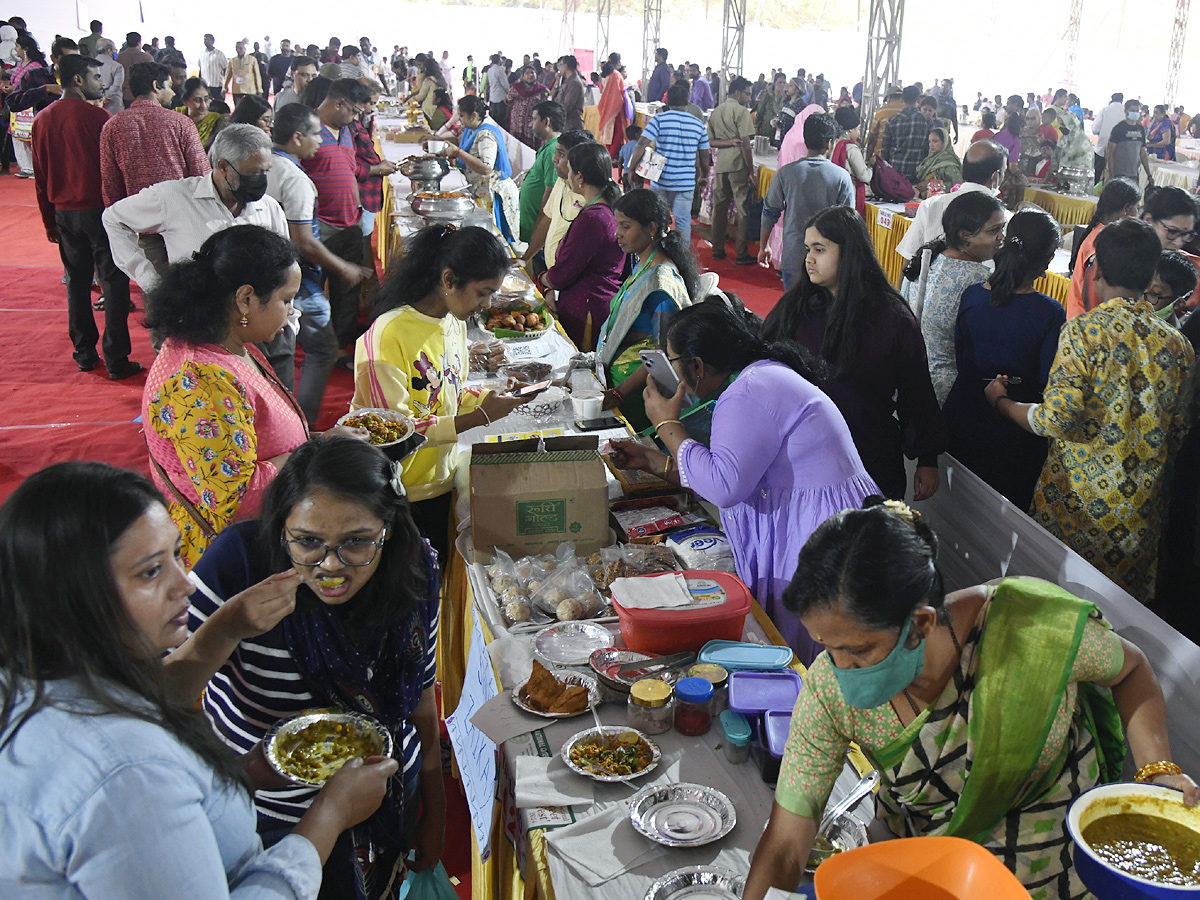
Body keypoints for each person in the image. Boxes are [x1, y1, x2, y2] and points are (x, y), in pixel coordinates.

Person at [743, 498, 1199, 900]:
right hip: (933, 877)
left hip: (1057, 874)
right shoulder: (828, 693)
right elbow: (786, 840)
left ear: (920, 623)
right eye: (826, 647)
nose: (840, 672)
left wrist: (1157, 769)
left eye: (859, 652)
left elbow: (1133, 670)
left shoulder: (1030, 631)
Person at [0, 461, 398, 898]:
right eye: (151, 571)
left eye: (176, 554)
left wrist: (235, 777)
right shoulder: (128, 776)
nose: (184, 586)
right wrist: (328, 817)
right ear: (73, 596)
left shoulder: (38, 677)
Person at [186, 437, 445, 895]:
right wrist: (225, 629)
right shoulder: (238, 566)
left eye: (357, 542)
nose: (331, 566)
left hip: (385, 797)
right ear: (280, 525)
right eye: (307, 542)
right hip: (268, 821)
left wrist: (435, 803)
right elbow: (153, 700)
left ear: (388, 530)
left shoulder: (414, 567)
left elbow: (422, 695)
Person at [611, 300, 878, 663]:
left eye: (672, 363)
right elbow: (736, 471)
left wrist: (665, 424)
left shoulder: (747, 393)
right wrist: (656, 462)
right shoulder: (759, 378)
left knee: (816, 650)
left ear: (697, 366)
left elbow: (725, 485)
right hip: (824, 520)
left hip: (820, 531)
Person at [986, 217, 1194, 602]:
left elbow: (1056, 418)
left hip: (1076, 502)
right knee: (1114, 616)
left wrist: (1002, 403)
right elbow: (1178, 431)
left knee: (1051, 602)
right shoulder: (1178, 346)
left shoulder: (1083, 332)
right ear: (1150, 278)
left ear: (1095, 269)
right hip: (1138, 510)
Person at [139, 225, 315, 567]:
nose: (292, 311)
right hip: (229, 556)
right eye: (286, 300)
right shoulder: (198, 381)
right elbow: (237, 499)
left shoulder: (229, 343)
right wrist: (312, 452)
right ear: (246, 299)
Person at [352, 226, 531, 560]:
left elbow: (447, 391)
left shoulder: (453, 322)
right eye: (482, 293)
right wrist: (479, 418)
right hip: (398, 492)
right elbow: (396, 433)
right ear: (449, 280)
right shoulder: (387, 337)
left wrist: (491, 398)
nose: (487, 304)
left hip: (439, 481)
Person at [762, 206, 945, 501]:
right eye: (808, 249)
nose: (809, 258)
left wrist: (927, 458)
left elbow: (916, 389)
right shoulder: (797, 306)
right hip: (800, 457)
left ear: (849, 252)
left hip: (867, 456)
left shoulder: (891, 317)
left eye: (819, 249)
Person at [942, 209, 1065, 511]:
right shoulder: (1049, 312)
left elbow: (963, 356)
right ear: (1048, 262)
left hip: (964, 413)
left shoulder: (972, 296)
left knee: (956, 509)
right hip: (1014, 429)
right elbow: (1049, 381)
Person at [32, 54, 140, 380]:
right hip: (100, 212)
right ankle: (117, 357)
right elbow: (115, 172)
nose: (101, 82)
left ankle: (84, 353)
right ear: (78, 80)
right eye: (95, 76)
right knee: (114, 282)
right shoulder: (98, 118)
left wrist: (48, 221)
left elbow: (40, 177)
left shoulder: (43, 120)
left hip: (64, 213)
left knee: (77, 284)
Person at [267, 102, 367, 424]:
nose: (320, 141)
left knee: (278, 350)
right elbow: (304, 242)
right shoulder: (295, 178)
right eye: (315, 135)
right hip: (297, 280)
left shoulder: (264, 164)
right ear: (297, 138)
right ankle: (300, 422)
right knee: (322, 348)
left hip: (267, 274)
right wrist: (344, 267)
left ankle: (283, 418)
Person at [104, 124, 288, 292]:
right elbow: (113, 219)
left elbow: (284, 269)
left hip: (253, 321)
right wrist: (149, 280)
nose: (261, 180)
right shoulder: (174, 197)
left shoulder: (269, 208)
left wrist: (288, 320)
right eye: (254, 173)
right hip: (196, 319)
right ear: (224, 167)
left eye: (266, 171)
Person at [599, 188, 699, 429]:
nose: (617, 234)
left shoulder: (661, 285)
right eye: (618, 225)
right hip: (615, 375)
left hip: (636, 393)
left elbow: (662, 354)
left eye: (626, 226)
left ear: (651, 228)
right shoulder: (643, 263)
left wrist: (620, 393)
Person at [904, 192, 1006, 404]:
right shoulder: (979, 279)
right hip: (951, 392)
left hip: (908, 382)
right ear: (965, 235)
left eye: (1002, 229)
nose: (1001, 238)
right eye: (993, 231)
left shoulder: (923, 262)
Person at [303, 78, 374, 354]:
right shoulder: (308, 128)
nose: (357, 118)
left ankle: (340, 347)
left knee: (348, 291)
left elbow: (347, 169)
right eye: (354, 111)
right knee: (313, 289)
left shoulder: (346, 131)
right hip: (319, 225)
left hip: (350, 221)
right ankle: (315, 348)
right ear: (338, 103)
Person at [531, 142, 625, 349]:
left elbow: (564, 272)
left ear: (580, 178)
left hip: (586, 308)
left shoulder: (594, 218)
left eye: (570, 169)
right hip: (594, 301)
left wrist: (543, 278)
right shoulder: (604, 209)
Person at [759, 114, 854, 290]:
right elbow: (849, 224)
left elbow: (769, 212)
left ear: (805, 139)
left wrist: (763, 246)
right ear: (829, 143)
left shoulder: (786, 173)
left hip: (794, 256)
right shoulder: (841, 177)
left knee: (794, 311)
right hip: (829, 260)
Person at [101, 62, 211, 206]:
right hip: (180, 211)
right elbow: (202, 175)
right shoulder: (180, 123)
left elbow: (111, 184)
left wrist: (118, 218)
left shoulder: (112, 126)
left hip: (136, 216)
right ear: (155, 86)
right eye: (169, 86)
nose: (173, 92)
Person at [896, 140, 1006, 263]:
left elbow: (909, 259)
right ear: (995, 177)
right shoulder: (1003, 218)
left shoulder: (931, 205)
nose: (1000, 236)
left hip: (928, 280)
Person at [628, 84, 711, 247]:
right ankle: (682, 259)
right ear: (687, 101)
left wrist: (631, 169)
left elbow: (641, 144)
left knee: (657, 220)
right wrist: (704, 176)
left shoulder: (659, 119)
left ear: (668, 101)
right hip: (685, 183)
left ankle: (657, 254)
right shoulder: (698, 124)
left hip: (661, 180)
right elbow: (704, 155)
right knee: (683, 221)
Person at [432, 95, 520, 240]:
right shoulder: (470, 130)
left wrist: (458, 152)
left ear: (473, 115)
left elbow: (486, 168)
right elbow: (469, 156)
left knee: (494, 237)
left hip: (493, 191)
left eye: (461, 116)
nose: (458, 119)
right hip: (480, 188)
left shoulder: (485, 134)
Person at [1064, 177, 1141, 318]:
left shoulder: (1100, 234)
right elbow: (1093, 298)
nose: (1138, 214)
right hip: (1088, 325)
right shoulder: (1102, 242)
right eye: (1136, 208)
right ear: (1126, 209)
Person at [522, 129, 593, 279]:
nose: (554, 159)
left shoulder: (591, 198)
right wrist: (525, 258)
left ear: (578, 159)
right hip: (555, 278)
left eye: (561, 154)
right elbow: (547, 219)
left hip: (571, 281)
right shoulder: (562, 182)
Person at [707, 76, 756, 264]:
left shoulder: (717, 111)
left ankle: (717, 249)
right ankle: (741, 252)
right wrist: (750, 170)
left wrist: (726, 142)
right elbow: (745, 144)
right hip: (738, 164)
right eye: (747, 94)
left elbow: (709, 141)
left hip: (721, 163)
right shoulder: (742, 112)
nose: (749, 98)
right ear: (738, 93)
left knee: (719, 208)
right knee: (742, 210)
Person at [519, 100, 563, 242]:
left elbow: (550, 191)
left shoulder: (553, 150)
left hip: (538, 230)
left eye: (534, 119)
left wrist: (539, 226)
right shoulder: (548, 147)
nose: (531, 124)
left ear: (546, 122)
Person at [882, 85, 930, 183]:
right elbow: (929, 148)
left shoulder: (893, 120)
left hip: (896, 170)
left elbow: (885, 149)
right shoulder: (927, 121)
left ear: (902, 99)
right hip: (918, 171)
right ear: (918, 100)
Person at [506, 65, 548, 147]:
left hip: (532, 125)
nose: (530, 75)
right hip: (516, 125)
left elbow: (546, 107)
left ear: (536, 75)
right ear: (523, 75)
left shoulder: (542, 90)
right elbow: (508, 101)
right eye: (527, 73)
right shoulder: (516, 88)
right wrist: (509, 97)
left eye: (532, 73)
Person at [177, 77, 224, 150]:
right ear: (185, 101)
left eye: (206, 99)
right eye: (198, 100)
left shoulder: (217, 121)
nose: (203, 105)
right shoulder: (176, 117)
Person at [914, 126, 962, 197]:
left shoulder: (949, 163)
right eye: (930, 141)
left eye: (935, 141)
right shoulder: (930, 159)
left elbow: (958, 185)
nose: (931, 145)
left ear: (944, 142)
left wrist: (930, 186)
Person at [596, 53, 628, 157]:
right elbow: (617, 93)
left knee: (610, 134)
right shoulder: (616, 74)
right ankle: (610, 155)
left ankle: (608, 154)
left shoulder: (607, 73)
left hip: (606, 105)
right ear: (618, 62)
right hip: (615, 108)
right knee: (618, 133)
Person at [116, 32, 153, 107]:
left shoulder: (119, 57)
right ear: (139, 43)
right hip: (143, 95)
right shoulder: (147, 58)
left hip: (126, 94)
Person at [93, 38, 125, 114]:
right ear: (109, 51)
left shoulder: (90, 64)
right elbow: (116, 86)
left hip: (95, 101)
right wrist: (107, 97)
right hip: (113, 104)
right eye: (114, 50)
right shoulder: (117, 66)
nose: (115, 52)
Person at [555, 55, 586, 133]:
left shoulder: (574, 82)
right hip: (566, 124)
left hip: (572, 126)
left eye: (560, 65)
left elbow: (567, 105)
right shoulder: (568, 81)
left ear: (566, 66)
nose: (559, 68)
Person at [756, 73, 787, 142]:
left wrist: (784, 96)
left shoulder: (787, 99)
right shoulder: (767, 95)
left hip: (779, 133)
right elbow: (759, 113)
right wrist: (756, 131)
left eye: (784, 83)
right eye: (779, 82)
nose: (782, 85)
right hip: (765, 131)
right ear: (775, 83)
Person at [199, 34, 228, 100]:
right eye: (204, 40)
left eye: (207, 39)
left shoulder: (219, 54)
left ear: (212, 41)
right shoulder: (202, 54)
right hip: (205, 86)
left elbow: (226, 70)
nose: (206, 41)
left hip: (218, 86)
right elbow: (201, 69)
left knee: (219, 106)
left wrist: (225, 85)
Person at [484, 53, 509, 128]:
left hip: (492, 98)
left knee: (493, 120)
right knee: (501, 122)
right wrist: (509, 93)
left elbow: (487, 84)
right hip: (500, 98)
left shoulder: (489, 70)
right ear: (499, 60)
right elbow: (505, 84)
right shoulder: (500, 70)